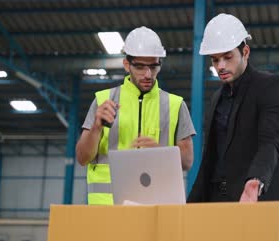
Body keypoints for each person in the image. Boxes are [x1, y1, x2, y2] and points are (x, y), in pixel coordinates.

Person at [76, 26, 195, 205]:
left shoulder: (175, 105)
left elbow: (187, 161)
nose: (148, 74)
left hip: (157, 207)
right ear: (126, 65)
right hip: (107, 209)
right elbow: (82, 158)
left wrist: (161, 153)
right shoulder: (103, 101)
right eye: (140, 66)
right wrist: (96, 128)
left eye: (153, 66)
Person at [187, 14, 279, 203]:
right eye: (215, 60)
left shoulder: (271, 87)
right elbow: (210, 158)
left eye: (228, 57)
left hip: (256, 199)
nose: (221, 66)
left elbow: (271, 142)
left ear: (245, 52)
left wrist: (256, 181)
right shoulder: (216, 99)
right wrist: (191, 205)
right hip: (218, 199)